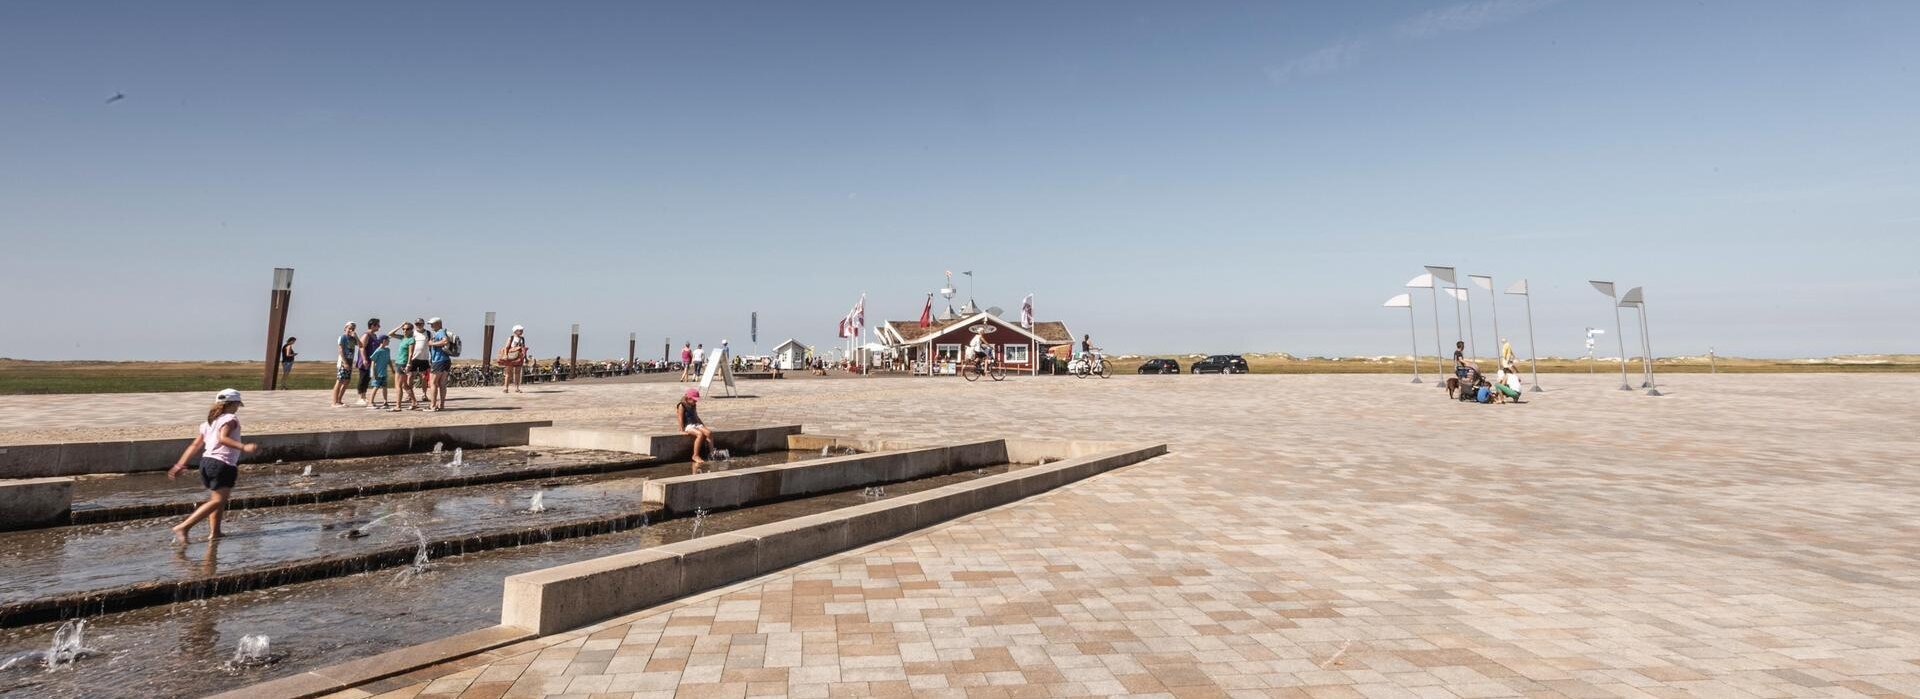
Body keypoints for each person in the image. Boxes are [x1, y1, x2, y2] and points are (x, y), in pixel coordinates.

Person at [167, 389, 258, 544]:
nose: (237, 408)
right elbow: (222, 438)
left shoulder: (208, 422)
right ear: (234, 404)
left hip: (206, 463)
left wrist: (180, 464)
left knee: (217, 499)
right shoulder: (231, 418)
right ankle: (184, 527)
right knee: (217, 500)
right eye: (237, 404)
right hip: (222, 464)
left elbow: (195, 445)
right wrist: (244, 447)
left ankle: (215, 532)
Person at [677, 388, 713, 470]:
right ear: (688, 398)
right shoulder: (681, 405)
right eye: (694, 400)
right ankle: (695, 455)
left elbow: (696, 416)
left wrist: (703, 425)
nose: (696, 402)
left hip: (695, 424)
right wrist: (681, 430)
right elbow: (680, 418)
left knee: (709, 433)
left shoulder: (693, 405)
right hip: (688, 426)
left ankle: (712, 454)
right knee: (700, 434)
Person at [388, 321, 418, 411]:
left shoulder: (411, 340)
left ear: (411, 330)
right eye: (403, 329)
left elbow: (410, 353)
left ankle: (398, 406)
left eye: (407, 329)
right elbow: (390, 334)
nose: (405, 331)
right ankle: (414, 402)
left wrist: (409, 364)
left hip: (403, 363)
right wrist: (400, 325)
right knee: (405, 385)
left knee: (398, 385)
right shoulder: (402, 338)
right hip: (398, 362)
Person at [355, 318, 385, 406]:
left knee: (367, 378)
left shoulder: (374, 335)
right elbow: (362, 347)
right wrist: (364, 359)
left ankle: (364, 396)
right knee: (363, 378)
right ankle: (360, 397)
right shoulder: (366, 335)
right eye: (378, 325)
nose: (379, 326)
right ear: (372, 325)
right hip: (365, 360)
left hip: (372, 360)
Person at [427, 317, 452, 411]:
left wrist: (432, 344)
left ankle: (433, 405)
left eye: (433, 324)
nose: (431, 326)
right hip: (446, 360)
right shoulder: (441, 332)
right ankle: (441, 405)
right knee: (442, 384)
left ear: (438, 324)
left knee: (432, 383)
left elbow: (445, 341)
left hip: (438, 360)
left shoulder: (440, 332)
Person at [332, 322, 358, 407]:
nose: (351, 330)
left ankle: (339, 400)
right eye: (349, 328)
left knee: (346, 381)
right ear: (345, 328)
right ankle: (334, 402)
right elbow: (340, 350)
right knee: (340, 381)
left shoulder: (353, 339)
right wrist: (345, 362)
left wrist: (356, 336)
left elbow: (361, 345)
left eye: (353, 329)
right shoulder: (342, 337)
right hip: (343, 362)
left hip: (350, 362)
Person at [500, 325, 529, 393]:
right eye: (520, 330)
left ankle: (517, 388)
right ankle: (506, 388)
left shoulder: (522, 339)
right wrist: (505, 355)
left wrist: (525, 357)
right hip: (511, 357)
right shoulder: (511, 338)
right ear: (515, 331)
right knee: (508, 373)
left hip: (519, 357)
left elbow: (523, 349)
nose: (522, 332)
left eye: (522, 330)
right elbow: (506, 347)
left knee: (518, 373)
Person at [367, 337, 393, 409]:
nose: (389, 341)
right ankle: (370, 402)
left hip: (384, 373)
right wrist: (373, 373)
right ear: (384, 341)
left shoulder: (387, 350)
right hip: (377, 373)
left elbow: (389, 360)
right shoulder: (378, 350)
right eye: (388, 340)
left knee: (384, 387)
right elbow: (373, 361)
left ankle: (385, 402)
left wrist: (392, 369)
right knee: (376, 387)